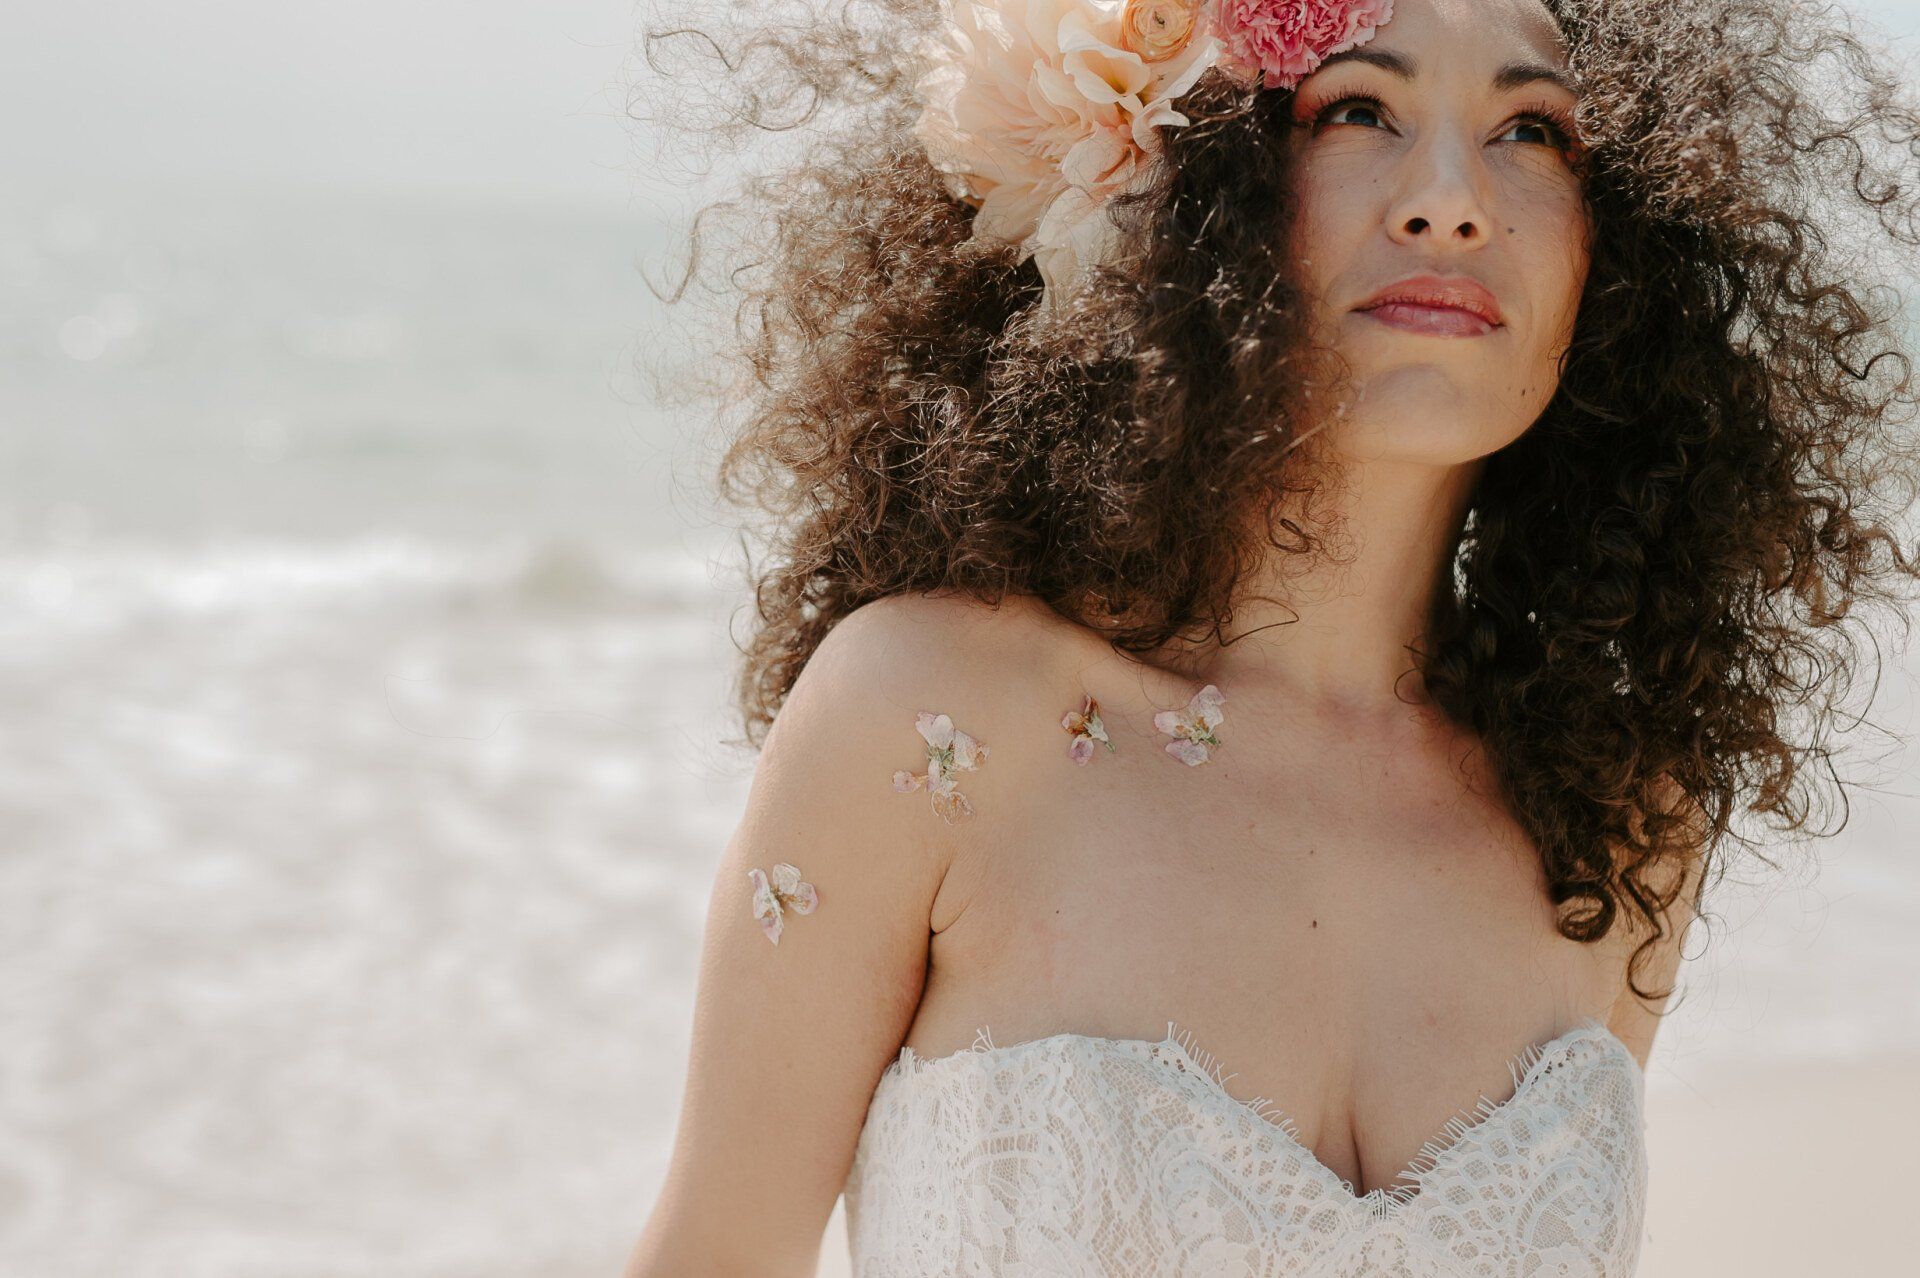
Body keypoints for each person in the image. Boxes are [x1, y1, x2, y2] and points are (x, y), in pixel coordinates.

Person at [620, 0, 1920, 1273]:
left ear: (1618, 246)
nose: (1453, 199)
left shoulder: (1620, 807)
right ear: (1194, 184)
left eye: (1534, 131)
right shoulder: (929, 714)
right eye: (1360, 108)